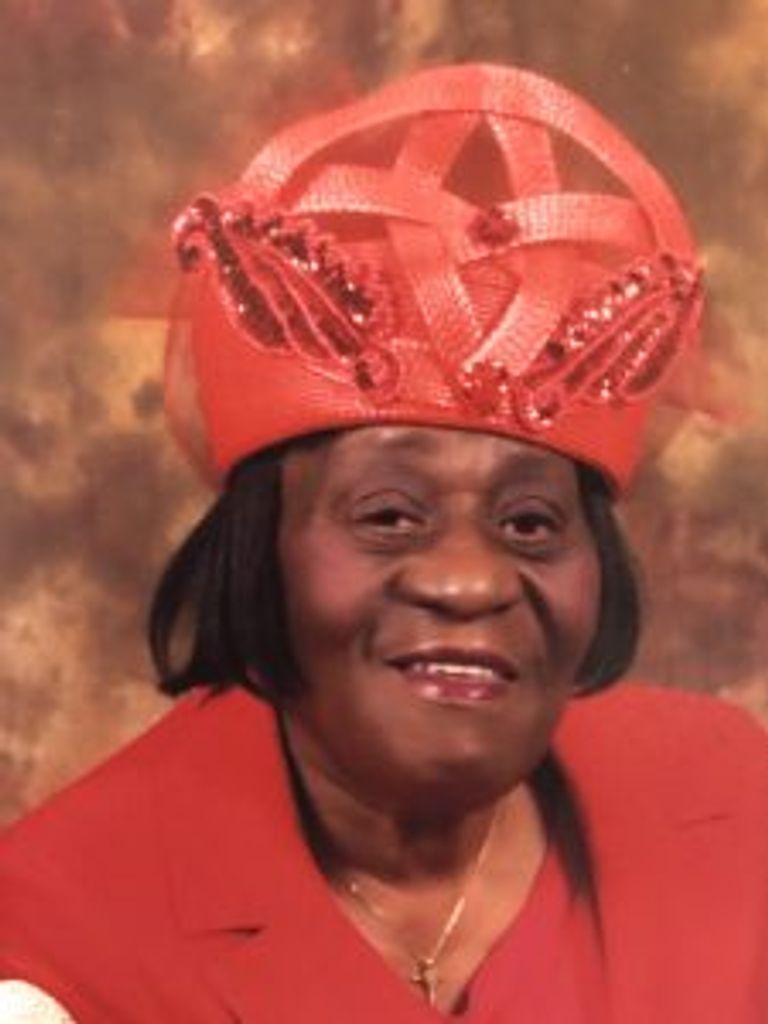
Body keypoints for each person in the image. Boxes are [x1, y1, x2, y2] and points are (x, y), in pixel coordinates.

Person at [1, 62, 767, 1024]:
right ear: (260, 553)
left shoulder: (732, 799)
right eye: (389, 515)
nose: (470, 580)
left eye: (530, 523)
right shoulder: (59, 940)